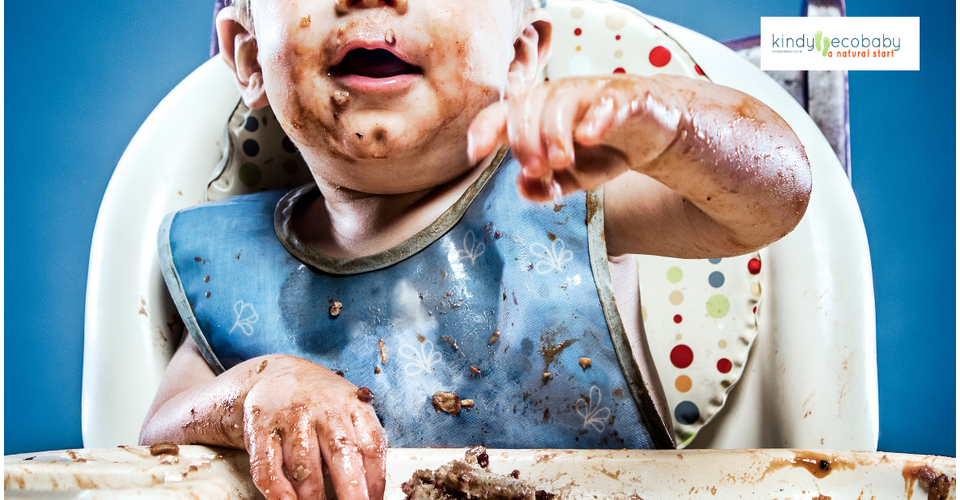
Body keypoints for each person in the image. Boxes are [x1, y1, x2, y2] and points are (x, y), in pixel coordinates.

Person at [140, 0, 812, 498]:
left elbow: (773, 198)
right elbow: (154, 435)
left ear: (520, 59)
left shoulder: (559, 187)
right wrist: (252, 390)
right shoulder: (233, 264)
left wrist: (666, 128)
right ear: (250, 57)